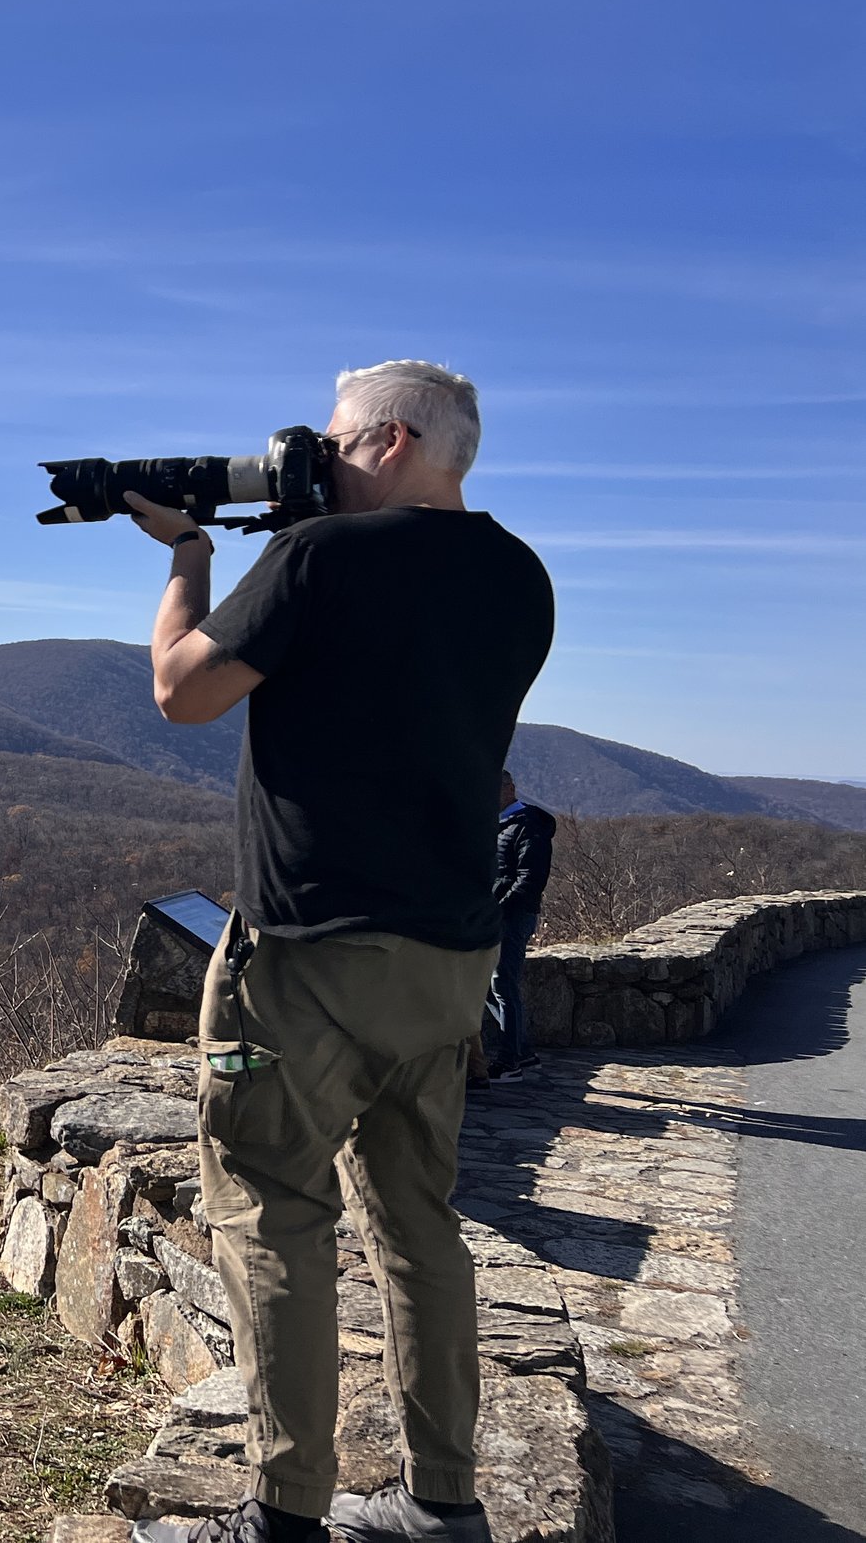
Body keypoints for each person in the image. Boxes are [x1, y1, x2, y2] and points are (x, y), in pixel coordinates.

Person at [117, 361, 555, 1543]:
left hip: (307, 953)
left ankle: (283, 1514)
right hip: (449, 956)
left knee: (271, 1214)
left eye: (332, 440)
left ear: (392, 441)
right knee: (419, 1222)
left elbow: (180, 693)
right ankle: (442, 1503)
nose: (312, 457)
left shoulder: (316, 562)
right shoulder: (521, 576)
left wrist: (192, 556)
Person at [484, 775, 556, 1082]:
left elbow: (529, 878)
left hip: (512, 917)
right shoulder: (503, 824)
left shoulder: (527, 825)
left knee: (503, 986)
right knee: (490, 987)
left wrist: (500, 907)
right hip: (498, 915)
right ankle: (523, 1052)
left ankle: (509, 1062)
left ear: (509, 789)